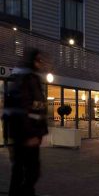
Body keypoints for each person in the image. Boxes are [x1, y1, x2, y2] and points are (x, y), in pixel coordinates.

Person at [2, 47, 48, 196]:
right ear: (33, 61)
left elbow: (39, 108)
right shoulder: (25, 79)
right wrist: (30, 135)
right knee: (26, 172)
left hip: (29, 135)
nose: (42, 63)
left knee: (27, 172)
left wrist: (40, 132)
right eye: (40, 60)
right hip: (25, 136)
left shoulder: (32, 78)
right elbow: (23, 108)